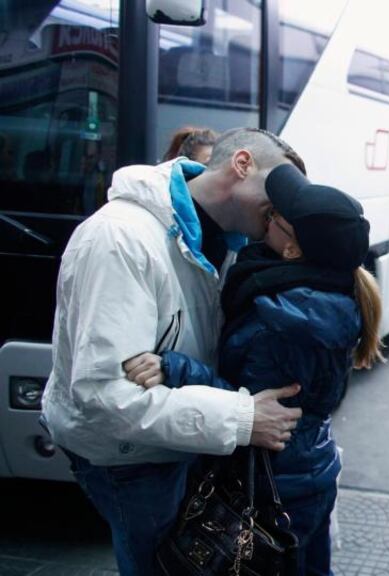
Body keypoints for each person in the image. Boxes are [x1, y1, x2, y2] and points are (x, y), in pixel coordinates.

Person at [40, 127, 307, 576]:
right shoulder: (119, 239)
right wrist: (242, 419)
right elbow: (104, 397)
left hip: (172, 444)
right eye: (280, 189)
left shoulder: (224, 239)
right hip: (129, 458)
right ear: (242, 165)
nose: (284, 209)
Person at [122, 163, 384, 575]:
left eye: (276, 216)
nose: (269, 212)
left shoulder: (281, 322)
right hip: (308, 469)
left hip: (274, 485)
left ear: (292, 249)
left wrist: (176, 368)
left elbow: (248, 403)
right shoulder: (326, 292)